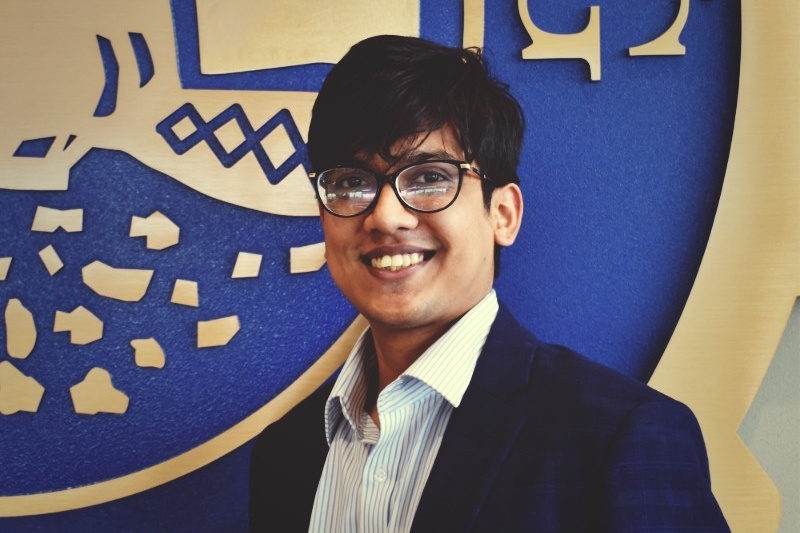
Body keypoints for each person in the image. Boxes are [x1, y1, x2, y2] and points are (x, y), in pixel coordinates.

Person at [249, 35, 729, 532]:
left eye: (429, 177)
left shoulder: (621, 439)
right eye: (351, 183)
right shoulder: (286, 453)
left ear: (503, 214)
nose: (386, 216)